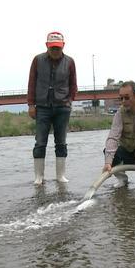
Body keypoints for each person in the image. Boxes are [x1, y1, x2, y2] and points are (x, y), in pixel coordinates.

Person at [27, 31, 77, 185]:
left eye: (58, 48)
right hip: (42, 107)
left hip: (62, 107)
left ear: (63, 46)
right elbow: (32, 83)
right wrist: (31, 104)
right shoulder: (37, 60)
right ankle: (39, 177)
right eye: (52, 48)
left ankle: (60, 176)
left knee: (61, 142)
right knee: (40, 142)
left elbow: (73, 84)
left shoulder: (69, 62)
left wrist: (69, 101)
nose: (55, 51)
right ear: (47, 46)